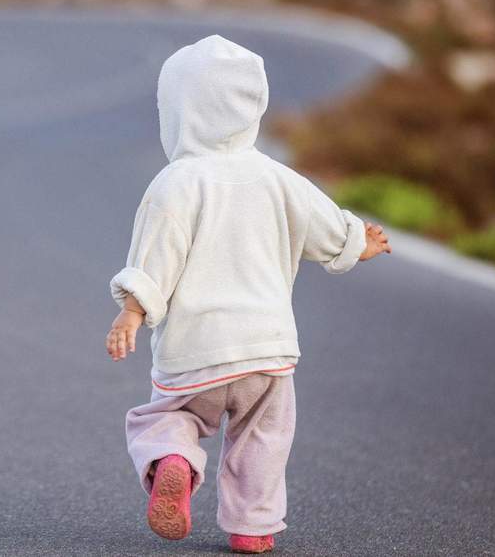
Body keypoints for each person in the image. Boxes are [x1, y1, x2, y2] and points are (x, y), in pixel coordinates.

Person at [106, 34, 391, 554]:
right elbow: (327, 228)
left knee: (170, 417)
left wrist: (132, 309)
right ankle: (253, 527)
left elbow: (155, 257)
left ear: (179, 112)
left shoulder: (176, 183)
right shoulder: (278, 178)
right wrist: (359, 244)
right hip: (267, 348)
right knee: (263, 436)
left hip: (196, 349)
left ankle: (175, 460)